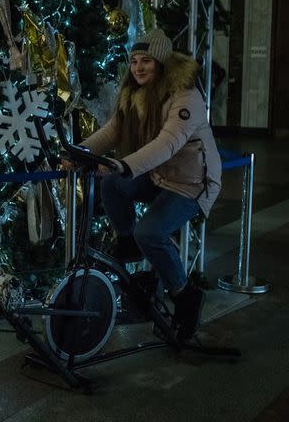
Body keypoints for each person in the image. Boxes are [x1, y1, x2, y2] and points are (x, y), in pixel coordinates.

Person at [76, 28, 221, 340]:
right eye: (134, 61)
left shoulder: (186, 96)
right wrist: (80, 153)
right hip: (159, 175)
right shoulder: (134, 94)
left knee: (151, 231)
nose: (138, 68)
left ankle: (185, 296)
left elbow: (168, 144)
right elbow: (112, 131)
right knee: (112, 185)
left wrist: (125, 164)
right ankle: (128, 243)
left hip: (191, 181)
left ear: (162, 63)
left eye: (146, 61)